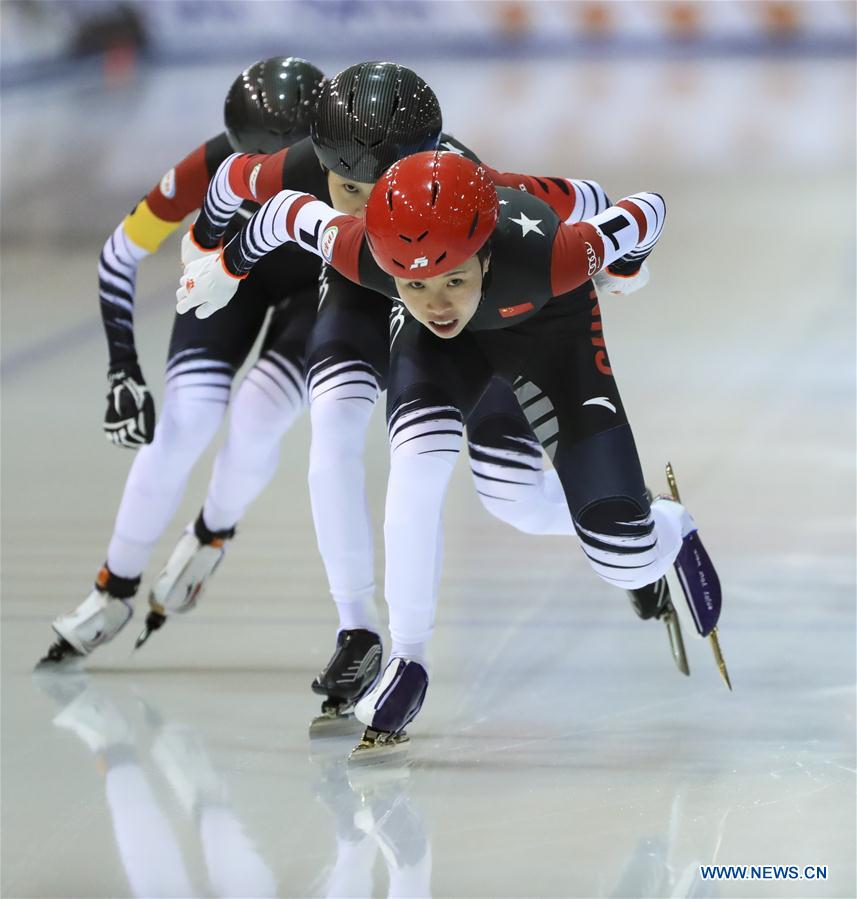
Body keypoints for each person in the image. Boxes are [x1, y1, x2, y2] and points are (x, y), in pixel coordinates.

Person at [178, 61, 660, 727]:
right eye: (349, 188)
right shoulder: (307, 173)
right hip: (360, 281)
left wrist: (613, 262)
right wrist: (207, 252)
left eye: (383, 188)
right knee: (334, 423)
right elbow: (236, 179)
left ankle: (629, 529)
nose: (369, 207)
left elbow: (585, 198)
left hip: (454, 309)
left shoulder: (464, 183)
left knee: (512, 495)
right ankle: (358, 629)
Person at [38, 57, 327, 666]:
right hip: (228, 280)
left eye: (285, 166)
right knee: (185, 422)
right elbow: (119, 253)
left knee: (258, 416)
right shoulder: (209, 162)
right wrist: (123, 367)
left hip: (315, 292)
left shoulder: (343, 160)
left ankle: (211, 533)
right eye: (252, 163)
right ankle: (114, 586)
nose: (267, 180)